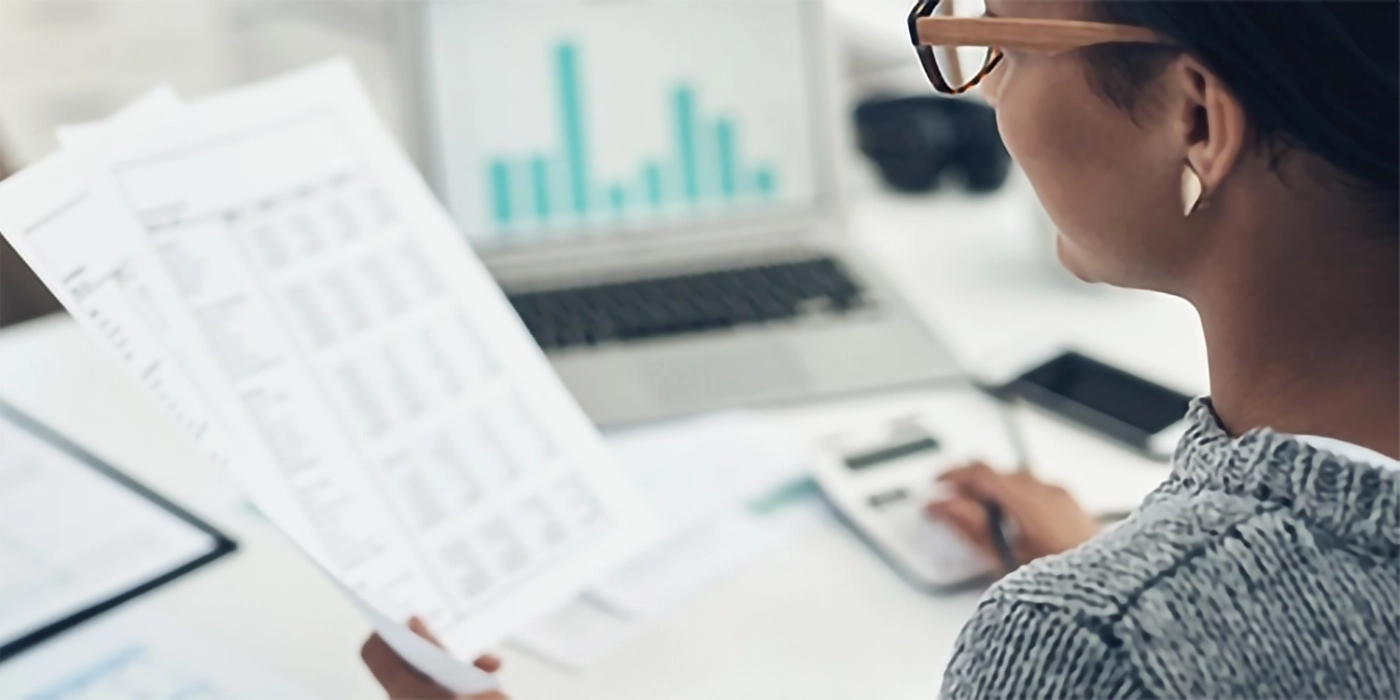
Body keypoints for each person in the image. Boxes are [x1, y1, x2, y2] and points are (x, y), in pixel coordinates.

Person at [365, 0, 1400, 696]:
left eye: (998, 39)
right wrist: (1154, 583)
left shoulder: (1088, 645)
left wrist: (1136, 611)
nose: (988, 92)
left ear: (1192, 118)